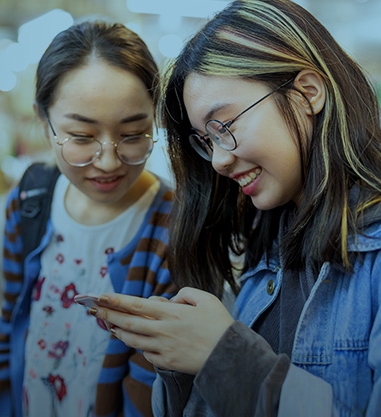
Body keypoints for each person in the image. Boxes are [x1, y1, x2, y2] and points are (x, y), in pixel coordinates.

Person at [90, 0, 381, 415]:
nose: (218, 161)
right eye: (205, 141)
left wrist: (222, 355)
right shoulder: (269, 240)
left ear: (307, 94)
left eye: (224, 127)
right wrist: (181, 355)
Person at [0, 20, 177, 417]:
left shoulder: (172, 225)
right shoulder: (30, 201)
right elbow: (9, 327)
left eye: (133, 134)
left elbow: (152, 383)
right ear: (44, 121)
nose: (107, 161)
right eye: (82, 137)